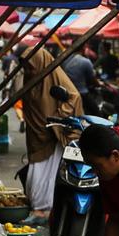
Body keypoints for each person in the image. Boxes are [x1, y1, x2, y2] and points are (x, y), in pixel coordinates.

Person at [19, 46, 84, 225]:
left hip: (51, 133)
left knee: (44, 172)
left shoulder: (52, 74)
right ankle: (39, 208)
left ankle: (42, 210)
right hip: (35, 133)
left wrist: (58, 116)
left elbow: (74, 96)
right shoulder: (31, 77)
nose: (28, 69)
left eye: (31, 65)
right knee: (36, 171)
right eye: (26, 66)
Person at [61, 42, 101, 116]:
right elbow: (92, 80)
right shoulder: (85, 61)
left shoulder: (64, 60)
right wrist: (99, 84)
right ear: (83, 48)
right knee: (97, 113)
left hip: (66, 93)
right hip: (82, 93)